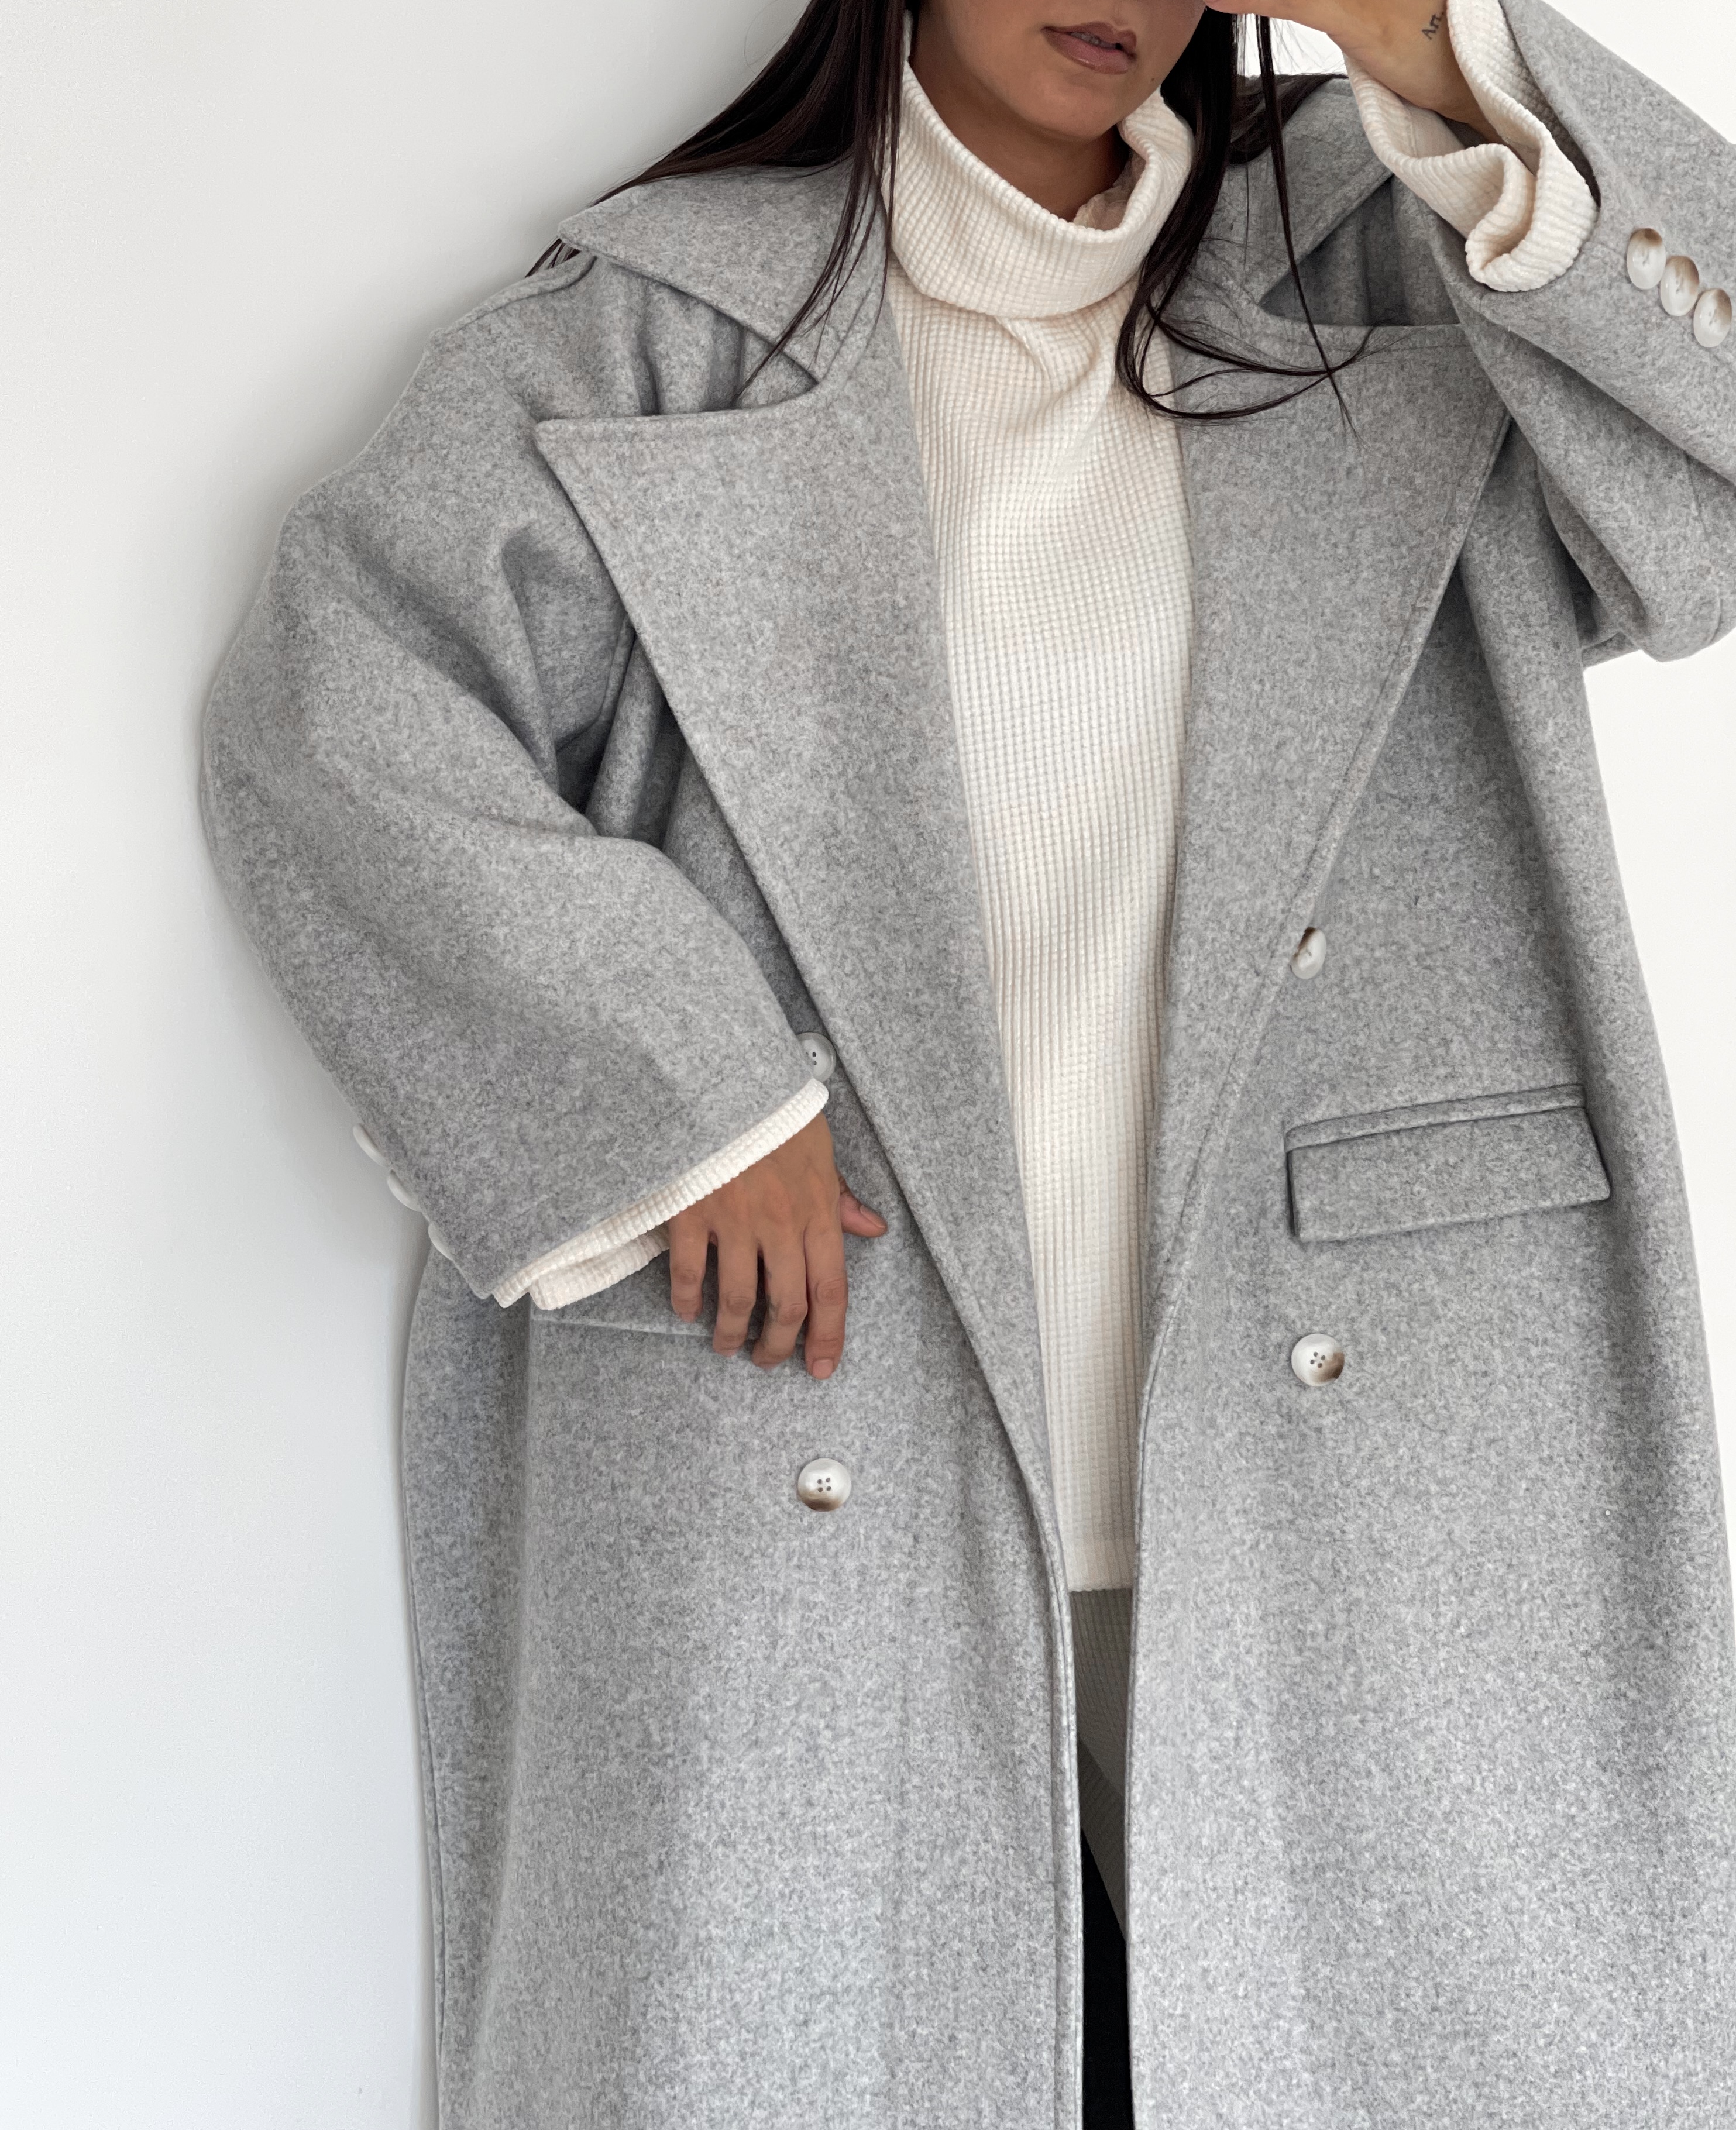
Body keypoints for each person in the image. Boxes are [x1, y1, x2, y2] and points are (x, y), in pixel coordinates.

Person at [201, 0, 1736, 2121]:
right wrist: (676, 1095)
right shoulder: (650, 336)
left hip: (1373, 1463)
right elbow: (331, 718)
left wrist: (1434, 44)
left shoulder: (1404, 257)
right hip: (816, 1445)